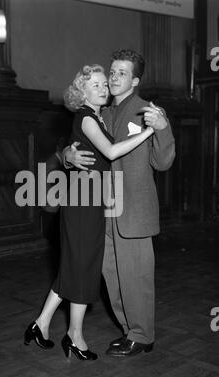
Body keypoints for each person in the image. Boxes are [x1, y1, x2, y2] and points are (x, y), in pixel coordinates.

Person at [24, 64, 155, 361]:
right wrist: (147, 132)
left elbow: (84, 152)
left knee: (75, 265)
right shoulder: (86, 117)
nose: (102, 87)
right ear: (82, 92)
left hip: (90, 199)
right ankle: (75, 336)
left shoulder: (96, 117)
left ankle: (41, 323)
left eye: (102, 84)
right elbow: (110, 153)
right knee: (84, 267)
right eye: (94, 84)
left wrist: (69, 156)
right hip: (83, 202)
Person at [64, 50, 176, 357]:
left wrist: (163, 129)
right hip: (103, 210)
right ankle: (130, 331)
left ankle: (143, 335)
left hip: (134, 210)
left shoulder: (147, 111)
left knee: (136, 277)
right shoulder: (103, 112)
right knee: (112, 277)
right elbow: (81, 143)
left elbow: (163, 162)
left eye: (122, 73)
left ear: (135, 80)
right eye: (112, 72)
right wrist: (68, 157)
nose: (114, 78)